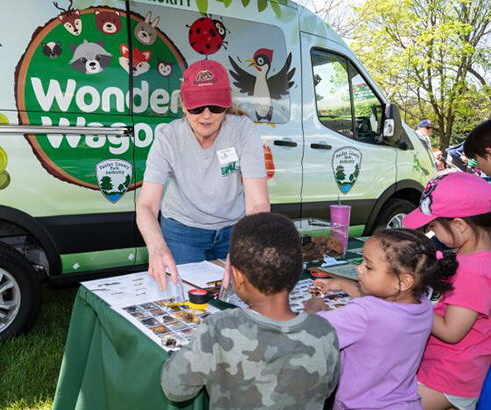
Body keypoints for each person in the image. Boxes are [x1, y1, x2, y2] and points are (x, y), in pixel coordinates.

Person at [161, 213, 340, 409]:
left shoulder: (218, 328)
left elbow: (175, 388)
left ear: (237, 277)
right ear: (298, 272)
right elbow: (328, 388)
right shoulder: (325, 333)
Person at [137, 59, 270, 290]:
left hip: (233, 230)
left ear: (227, 103)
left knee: (237, 294)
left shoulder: (242, 130)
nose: (207, 116)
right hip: (182, 231)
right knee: (186, 297)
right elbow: (147, 206)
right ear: (183, 104)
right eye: (197, 108)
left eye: (216, 107)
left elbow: (258, 202)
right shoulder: (168, 137)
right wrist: (157, 246)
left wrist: (244, 244)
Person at [304, 229, 457, 410]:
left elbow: (313, 332)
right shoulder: (422, 305)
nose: (359, 269)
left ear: (404, 281)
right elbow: (383, 310)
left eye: (368, 266)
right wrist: (342, 284)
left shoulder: (364, 313)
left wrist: (313, 309)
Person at [402, 172, 491, 410]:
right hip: (448, 370)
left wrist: (410, 301)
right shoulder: (472, 257)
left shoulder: (474, 272)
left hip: (449, 378)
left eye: (433, 226)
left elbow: (452, 332)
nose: (431, 232)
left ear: (459, 225)